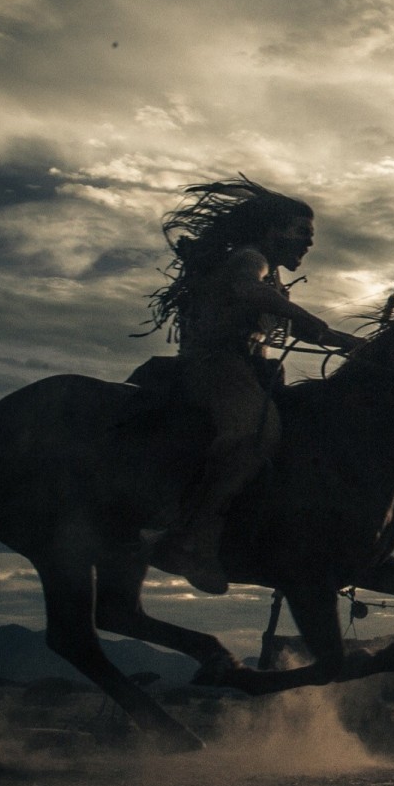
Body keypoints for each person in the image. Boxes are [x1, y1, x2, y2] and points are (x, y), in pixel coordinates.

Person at [140, 178, 362, 594]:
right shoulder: (250, 259)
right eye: (302, 233)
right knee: (255, 434)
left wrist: (349, 343)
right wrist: (316, 325)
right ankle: (185, 536)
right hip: (217, 365)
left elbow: (298, 322)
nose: (308, 244)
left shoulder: (269, 273)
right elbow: (248, 289)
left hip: (251, 368)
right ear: (271, 230)